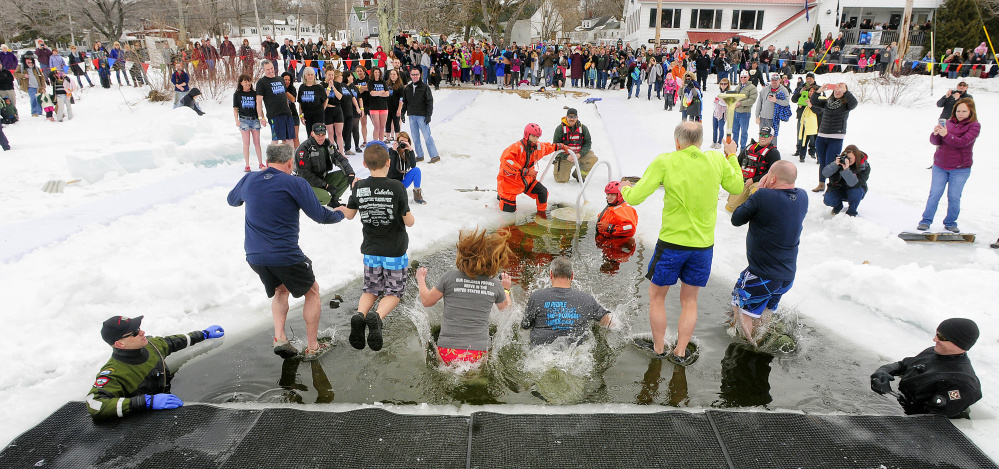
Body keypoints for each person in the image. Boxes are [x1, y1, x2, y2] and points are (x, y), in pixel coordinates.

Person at [621, 122, 743, 364]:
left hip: (671, 244)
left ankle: (658, 349)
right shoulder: (717, 160)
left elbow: (635, 197)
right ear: (699, 140)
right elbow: (737, 187)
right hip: (702, 246)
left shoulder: (666, 161)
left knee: (657, 297)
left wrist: (625, 188)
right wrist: (731, 156)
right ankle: (680, 352)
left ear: (677, 142)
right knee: (690, 300)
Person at [227, 144, 346, 359]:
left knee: (281, 290)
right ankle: (312, 347)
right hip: (285, 254)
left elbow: (232, 200)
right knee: (312, 291)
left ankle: (280, 337)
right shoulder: (295, 183)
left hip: (254, 256)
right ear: (290, 162)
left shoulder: (249, 179)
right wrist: (340, 214)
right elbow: (320, 216)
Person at [340, 143, 416, 352]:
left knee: (371, 288)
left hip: (371, 250)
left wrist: (339, 206)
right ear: (388, 163)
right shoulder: (397, 187)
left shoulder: (359, 186)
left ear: (364, 164)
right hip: (395, 250)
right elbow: (408, 221)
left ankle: (360, 315)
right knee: (394, 292)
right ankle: (377, 317)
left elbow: (349, 214)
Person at [86, 315, 224, 420]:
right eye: (134, 333)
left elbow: (173, 342)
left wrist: (204, 334)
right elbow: (95, 404)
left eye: (138, 328)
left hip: (168, 402)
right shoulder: (114, 373)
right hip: (142, 419)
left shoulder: (151, 345)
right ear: (120, 344)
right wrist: (146, 402)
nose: (142, 332)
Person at [729, 161, 807, 345]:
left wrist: (759, 190)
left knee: (739, 304)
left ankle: (749, 347)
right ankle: (762, 339)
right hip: (786, 276)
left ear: (771, 178)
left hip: (761, 274)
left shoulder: (763, 196)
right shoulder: (803, 196)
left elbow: (736, 218)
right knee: (765, 310)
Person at [416, 229, 513, 365]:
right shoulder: (495, 285)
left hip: (446, 352)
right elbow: (506, 308)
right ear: (496, 261)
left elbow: (426, 301)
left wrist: (421, 278)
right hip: (477, 354)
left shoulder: (449, 277)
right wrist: (506, 289)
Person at [871, 318, 982, 418]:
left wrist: (888, 395)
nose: (934, 339)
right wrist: (883, 371)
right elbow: (903, 364)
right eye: (937, 334)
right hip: (903, 398)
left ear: (958, 343)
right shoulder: (933, 352)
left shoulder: (961, 384)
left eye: (941, 337)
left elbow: (929, 418)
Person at [521, 256, 613, 346]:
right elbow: (607, 322)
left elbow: (525, 325)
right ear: (572, 275)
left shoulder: (537, 296)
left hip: (541, 353)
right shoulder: (586, 298)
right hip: (575, 354)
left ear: (551, 274)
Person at [918, 98, 979, 232]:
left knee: (954, 196)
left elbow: (962, 142)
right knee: (934, 194)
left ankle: (951, 222)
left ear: (971, 111)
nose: (960, 113)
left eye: (964, 111)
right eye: (958, 111)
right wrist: (935, 134)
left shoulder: (974, 126)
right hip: (940, 165)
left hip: (960, 168)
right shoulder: (949, 123)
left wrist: (945, 135)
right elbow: (935, 141)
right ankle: (925, 221)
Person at [497, 123, 571, 213]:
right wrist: (524, 171)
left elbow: (547, 147)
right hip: (509, 183)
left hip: (526, 181)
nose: (535, 139)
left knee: (542, 192)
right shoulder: (516, 148)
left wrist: (560, 146)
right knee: (509, 211)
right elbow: (506, 161)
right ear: (527, 135)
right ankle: (501, 196)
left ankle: (541, 215)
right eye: (533, 136)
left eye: (537, 137)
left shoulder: (537, 147)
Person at [810, 82, 858, 192]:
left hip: (836, 137)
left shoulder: (846, 105)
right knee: (822, 161)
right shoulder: (827, 102)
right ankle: (821, 183)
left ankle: (831, 185)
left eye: (840, 89)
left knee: (831, 163)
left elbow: (854, 103)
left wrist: (845, 91)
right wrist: (818, 91)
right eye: (836, 88)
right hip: (822, 136)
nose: (837, 90)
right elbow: (814, 101)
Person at [296, 123, 356, 207]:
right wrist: (325, 185)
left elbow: (340, 159)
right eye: (318, 135)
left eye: (323, 135)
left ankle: (333, 201)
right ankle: (302, 201)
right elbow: (305, 175)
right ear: (312, 134)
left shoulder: (328, 145)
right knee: (325, 198)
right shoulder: (304, 148)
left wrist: (351, 173)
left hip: (322, 178)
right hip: (306, 184)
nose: (321, 137)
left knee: (345, 175)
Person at [726, 126, 782, 212]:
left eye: (766, 135)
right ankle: (744, 200)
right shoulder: (749, 148)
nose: (763, 137)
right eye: (761, 135)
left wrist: (754, 180)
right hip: (744, 181)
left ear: (771, 137)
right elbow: (738, 163)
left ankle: (759, 208)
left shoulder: (774, 153)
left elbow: (773, 173)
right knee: (731, 208)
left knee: (756, 193)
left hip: (760, 182)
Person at [401, 68, 440, 163]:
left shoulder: (425, 87)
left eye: (416, 74)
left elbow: (429, 102)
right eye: (413, 74)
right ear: (410, 75)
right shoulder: (408, 88)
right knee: (415, 137)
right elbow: (405, 102)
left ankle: (434, 155)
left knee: (427, 136)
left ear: (420, 75)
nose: (415, 76)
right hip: (412, 116)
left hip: (422, 116)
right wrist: (403, 112)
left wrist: (429, 115)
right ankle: (419, 155)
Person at [822, 144, 871, 216]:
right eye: (846, 158)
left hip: (854, 189)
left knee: (855, 192)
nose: (847, 160)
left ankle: (851, 212)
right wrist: (835, 165)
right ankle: (838, 206)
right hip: (838, 188)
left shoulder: (863, 166)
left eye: (850, 158)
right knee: (828, 200)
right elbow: (825, 174)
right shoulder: (840, 162)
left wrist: (846, 170)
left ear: (856, 157)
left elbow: (854, 183)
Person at [551, 108, 598, 183]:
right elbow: (555, 146)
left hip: (579, 154)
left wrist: (580, 154)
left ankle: (579, 174)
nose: (571, 119)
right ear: (566, 117)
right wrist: (566, 156)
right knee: (561, 180)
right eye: (569, 117)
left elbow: (588, 143)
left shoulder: (583, 128)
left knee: (592, 159)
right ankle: (559, 171)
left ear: (577, 117)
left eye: (574, 117)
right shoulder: (560, 129)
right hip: (565, 157)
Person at [254, 61, 295, 144]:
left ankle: (289, 157)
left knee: (289, 139)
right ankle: (273, 157)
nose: (271, 71)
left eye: (272, 68)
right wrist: (260, 117)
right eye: (268, 69)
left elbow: (284, 96)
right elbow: (258, 101)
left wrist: (288, 109)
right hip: (274, 115)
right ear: (264, 70)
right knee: (276, 139)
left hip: (286, 113)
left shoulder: (280, 79)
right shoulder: (261, 83)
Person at [234, 74, 264, 171]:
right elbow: (235, 108)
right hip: (244, 120)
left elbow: (259, 107)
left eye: (249, 81)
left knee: (257, 143)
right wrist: (236, 120)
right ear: (241, 83)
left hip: (255, 119)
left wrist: (261, 117)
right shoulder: (237, 94)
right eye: (245, 81)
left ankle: (260, 163)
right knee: (246, 143)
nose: (247, 83)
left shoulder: (255, 93)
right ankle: (247, 164)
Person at [388, 131, 426, 204]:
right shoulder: (391, 151)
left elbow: (413, 166)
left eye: (405, 142)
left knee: (416, 170)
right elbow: (391, 169)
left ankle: (417, 195)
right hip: (391, 183)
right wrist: (394, 152)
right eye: (401, 142)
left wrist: (411, 150)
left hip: (402, 182)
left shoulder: (407, 153)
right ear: (397, 141)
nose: (403, 144)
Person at [755, 73, 790, 145]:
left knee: (772, 138)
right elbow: (759, 103)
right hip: (763, 118)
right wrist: (757, 116)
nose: (774, 82)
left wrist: (776, 100)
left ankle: (772, 153)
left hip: (774, 119)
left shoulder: (784, 90)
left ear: (780, 80)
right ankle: (761, 153)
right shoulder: (765, 90)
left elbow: (786, 102)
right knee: (762, 137)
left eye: (776, 80)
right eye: (772, 80)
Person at [297, 68, 327, 140]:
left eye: (312, 75)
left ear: (314, 76)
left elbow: (325, 99)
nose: (310, 76)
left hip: (318, 114)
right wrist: (301, 115)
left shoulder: (319, 87)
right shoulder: (302, 87)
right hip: (307, 114)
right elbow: (300, 103)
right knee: (310, 134)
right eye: (308, 75)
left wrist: (322, 110)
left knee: (319, 134)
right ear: (305, 76)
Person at [731, 71, 758, 149]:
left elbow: (752, 100)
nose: (743, 79)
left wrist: (741, 103)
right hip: (736, 112)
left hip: (744, 113)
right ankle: (734, 147)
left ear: (748, 77)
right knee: (735, 131)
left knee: (744, 132)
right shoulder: (738, 87)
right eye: (741, 77)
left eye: (745, 77)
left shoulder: (752, 87)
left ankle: (743, 148)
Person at [710, 78, 731, 149]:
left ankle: (719, 142)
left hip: (722, 113)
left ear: (728, 85)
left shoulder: (728, 93)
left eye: (725, 84)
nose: (723, 85)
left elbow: (727, 103)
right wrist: (716, 102)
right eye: (722, 84)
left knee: (721, 128)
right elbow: (715, 101)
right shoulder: (718, 91)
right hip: (716, 112)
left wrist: (719, 101)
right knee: (714, 128)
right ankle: (714, 141)